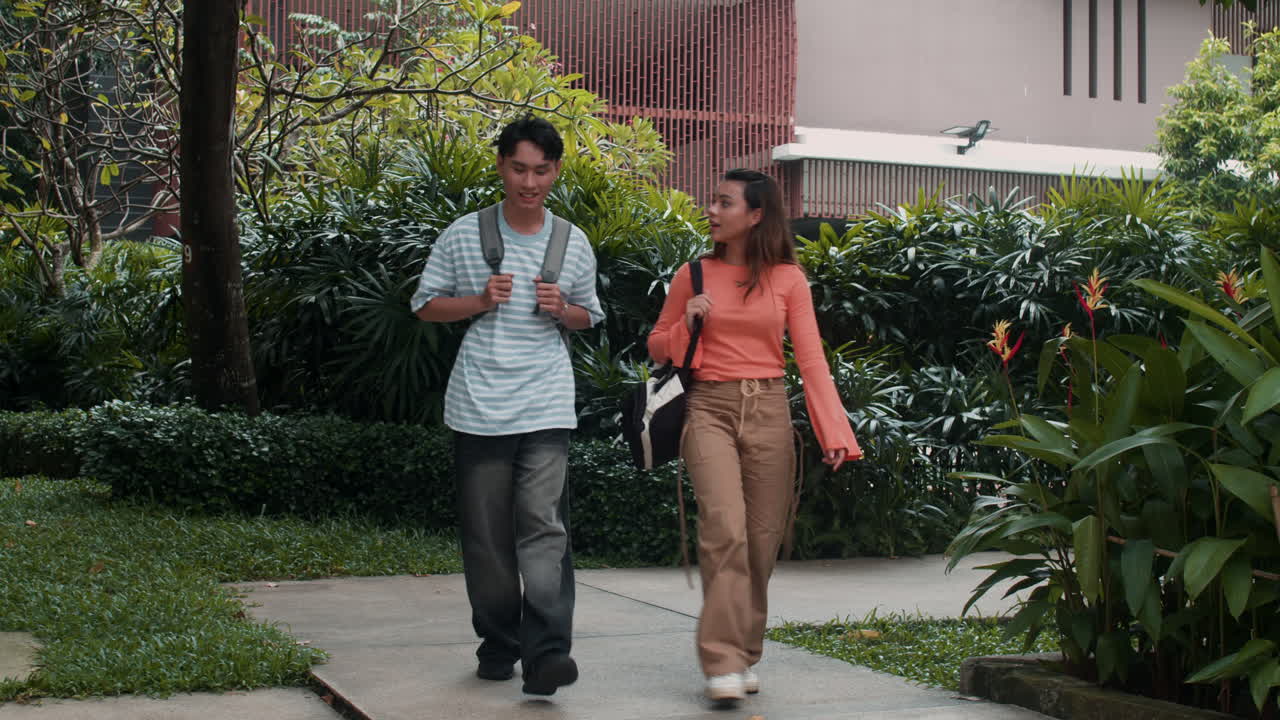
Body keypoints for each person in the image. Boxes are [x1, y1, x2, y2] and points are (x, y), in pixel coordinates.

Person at [647, 169, 862, 707]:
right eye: (713, 200)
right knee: (725, 530)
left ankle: (744, 651)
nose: (712, 210)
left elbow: (811, 359)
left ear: (756, 214)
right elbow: (657, 345)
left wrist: (833, 429)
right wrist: (685, 323)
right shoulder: (693, 274)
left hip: (768, 408)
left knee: (762, 541)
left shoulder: (788, 279)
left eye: (725, 202)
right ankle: (720, 660)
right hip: (708, 408)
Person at [409, 115, 604, 696]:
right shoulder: (463, 234)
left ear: (556, 171)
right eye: (519, 168)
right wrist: (477, 300)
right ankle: (498, 643)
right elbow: (424, 305)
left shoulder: (571, 241)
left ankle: (547, 655)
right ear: (500, 166)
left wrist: (562, 309)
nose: (529, 182)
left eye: (541, 171)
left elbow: (590, 316)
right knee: (488, 538)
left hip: (546, 403)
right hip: (479, 405)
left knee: (544, 528)